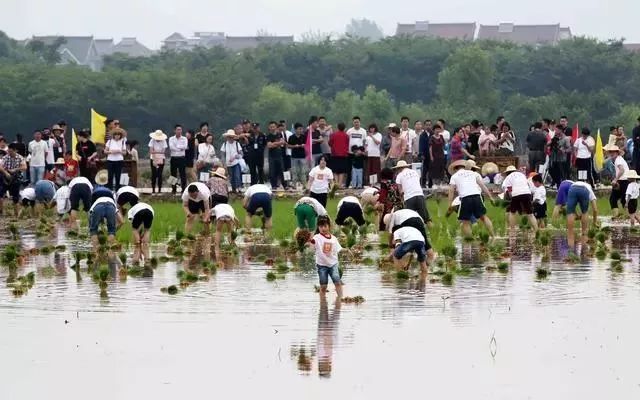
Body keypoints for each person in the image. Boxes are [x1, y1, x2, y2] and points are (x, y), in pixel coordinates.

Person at [448, 159, 496, 238]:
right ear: (464, 167)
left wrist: (450, 204)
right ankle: (493, 236)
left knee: (465, 221)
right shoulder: (473, 173)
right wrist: (490, 197)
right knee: (483, 217)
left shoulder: (454, 176)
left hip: (465, 198)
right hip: (477, 196)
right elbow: (483, 186)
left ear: (456, 169)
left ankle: (470, 240)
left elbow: (451, 191)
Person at [306, 216, 343, 298]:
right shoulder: (317, 237)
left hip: (333, 264)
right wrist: (309, 241)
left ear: (329, 226)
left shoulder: (334, 239)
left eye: (325, 226)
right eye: (321, 226)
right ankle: (322, 304)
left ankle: (341, 299)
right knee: (323, 286)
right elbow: (312, 246)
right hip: (322, 265)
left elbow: (339, 249)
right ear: (318, 227)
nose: (323, 228)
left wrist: (346, 250)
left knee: (337, 282)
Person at [501, 166, 539, 232]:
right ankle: (536, 230)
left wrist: (512, 200)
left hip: (516, 193)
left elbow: (509, 191)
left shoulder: (508, 178)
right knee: (530, 214)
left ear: (507, 173)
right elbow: (528, 185)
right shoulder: (522, 175)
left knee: (512, 213)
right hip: (527, 193)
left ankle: (512, 231)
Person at [566, 178, 598, 248]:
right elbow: (595, 209)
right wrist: (594, 222)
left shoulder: (573, 185)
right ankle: (584, 233)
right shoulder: (589, 188)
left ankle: (570, 233)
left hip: (573, 189)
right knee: (585, 212)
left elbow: (571, 208)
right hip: (584, 190)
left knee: (570, 212)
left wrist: (576, 214)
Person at [0, 143, 27, 217]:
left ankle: (16, 215)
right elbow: (0, 166)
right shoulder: (6, 157)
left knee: (15, 198)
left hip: (15, 178)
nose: (9, 153)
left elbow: (25, 167)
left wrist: (15, 169)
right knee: (1, 195)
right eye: (9, 151)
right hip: (5, 177)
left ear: (15, 150)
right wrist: (5, 173)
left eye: (11, 151)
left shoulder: (20, 157)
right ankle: (1, 212)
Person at [606, 144, 630, 218]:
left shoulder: (618, 160)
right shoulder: (619, 159)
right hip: (625, 181)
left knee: (613, 198)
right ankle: (627, 215)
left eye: (613, 152)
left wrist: (615, 180)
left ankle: (618, 215)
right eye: (610, 152)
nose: (612, 153)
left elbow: (622, 170)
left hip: (623, 181)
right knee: (622, 199)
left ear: (617, 152)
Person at [265, 121, 288, 190]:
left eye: (273, 126)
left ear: (276, 127)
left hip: (279, 155)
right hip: (272, 156)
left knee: (282, 170)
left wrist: (274, 143)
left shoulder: (279, 134)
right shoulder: (268, 136)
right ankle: (274, 186)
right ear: (269, 128)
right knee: (272, 171)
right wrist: (278, 143)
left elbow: (283, 143)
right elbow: (269, 146)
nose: (272, 128)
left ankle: (285, 185)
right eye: (271, 127)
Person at [328, 122, 349, 188]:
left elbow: (330, 143)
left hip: (334, 154)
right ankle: (340, 185)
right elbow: (347, 144)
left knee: (335, 170)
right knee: (342, 171)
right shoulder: (346, 136)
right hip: (343, 155)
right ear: (344, 128)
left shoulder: (333, 135)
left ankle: (336, 184)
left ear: (337, 127)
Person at [169, 124, 188, 195]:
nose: (179, 131)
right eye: (178, 130)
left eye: (180, 130)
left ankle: (183, 189)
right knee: (173, 174)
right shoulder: (171, 138)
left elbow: (185, 147)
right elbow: (171, 147)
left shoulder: (184, 138)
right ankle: (173, 189)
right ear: (175, 130)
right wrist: (180, 148)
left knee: (183, 174)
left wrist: (177, 147)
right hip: (174, 158)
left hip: (182, 158)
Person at [288, 123, 308, 187]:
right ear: (295, 129)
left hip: (302, 156)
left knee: (303, 171)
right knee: (294, 171)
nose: (301, 130)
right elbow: (288, 146)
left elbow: (307, 145)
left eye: (301, 129)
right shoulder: (291, 137)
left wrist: (304, 145)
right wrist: (294, 146)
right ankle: (294, 185)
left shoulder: (304, 136)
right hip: (294, 157)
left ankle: (304, 185)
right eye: (299, 129)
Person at [148, 130, 167, 194]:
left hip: (161, 159)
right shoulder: (152, 140)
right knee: (154, 174)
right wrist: (155, 155)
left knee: (159, 174)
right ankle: (153, 189)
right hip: (153, 158)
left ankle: (159, 190)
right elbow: (151, 151)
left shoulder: (164, 141)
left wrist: (155, 151)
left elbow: (163, 151)